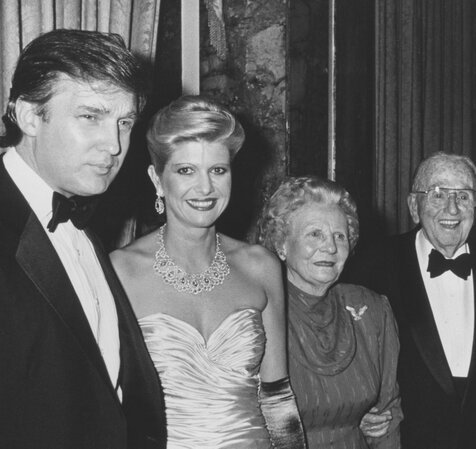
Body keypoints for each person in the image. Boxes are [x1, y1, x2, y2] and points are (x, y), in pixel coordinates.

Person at [0, 29, 166, 448]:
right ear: (29, 116)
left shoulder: (82, 221)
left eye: (124, 122)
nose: (114, 145)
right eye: (91, 116)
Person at [110, 96, 305, 448]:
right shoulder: (120, 272)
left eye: (218, 170)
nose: (205, 188)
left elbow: (278, 400)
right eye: (186, 170)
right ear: (157, 179)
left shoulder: (261, 267)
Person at [343, 152, 476, 449]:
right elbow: (349, 351)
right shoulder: (374, 266)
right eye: (437, 194)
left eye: (463, 196)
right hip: (409, 438)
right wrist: (359, 410)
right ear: (413, 206)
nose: (452, 208)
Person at [264, 176, 402, 448]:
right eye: (315, 234)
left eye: (340, 236)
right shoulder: (262, 312)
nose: (330, 247)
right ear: (282, 244)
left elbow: (387, 418)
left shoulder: (370, 309)